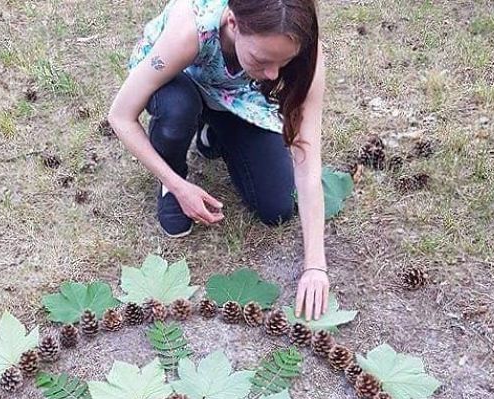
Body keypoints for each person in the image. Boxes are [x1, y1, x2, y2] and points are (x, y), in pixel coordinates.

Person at [108, 0, 329, 320]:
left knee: (277, 207)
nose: (273, 74)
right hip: (177, 80)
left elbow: (307, 161)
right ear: (232, 23)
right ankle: (174, 168)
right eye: (262, 59)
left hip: (235, 97)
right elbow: (120, 116)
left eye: (283, 62)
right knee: (178, 110)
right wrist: (177, 185)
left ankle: (214, 130)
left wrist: (315, 265)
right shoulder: (189, 31)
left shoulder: (305, 50)